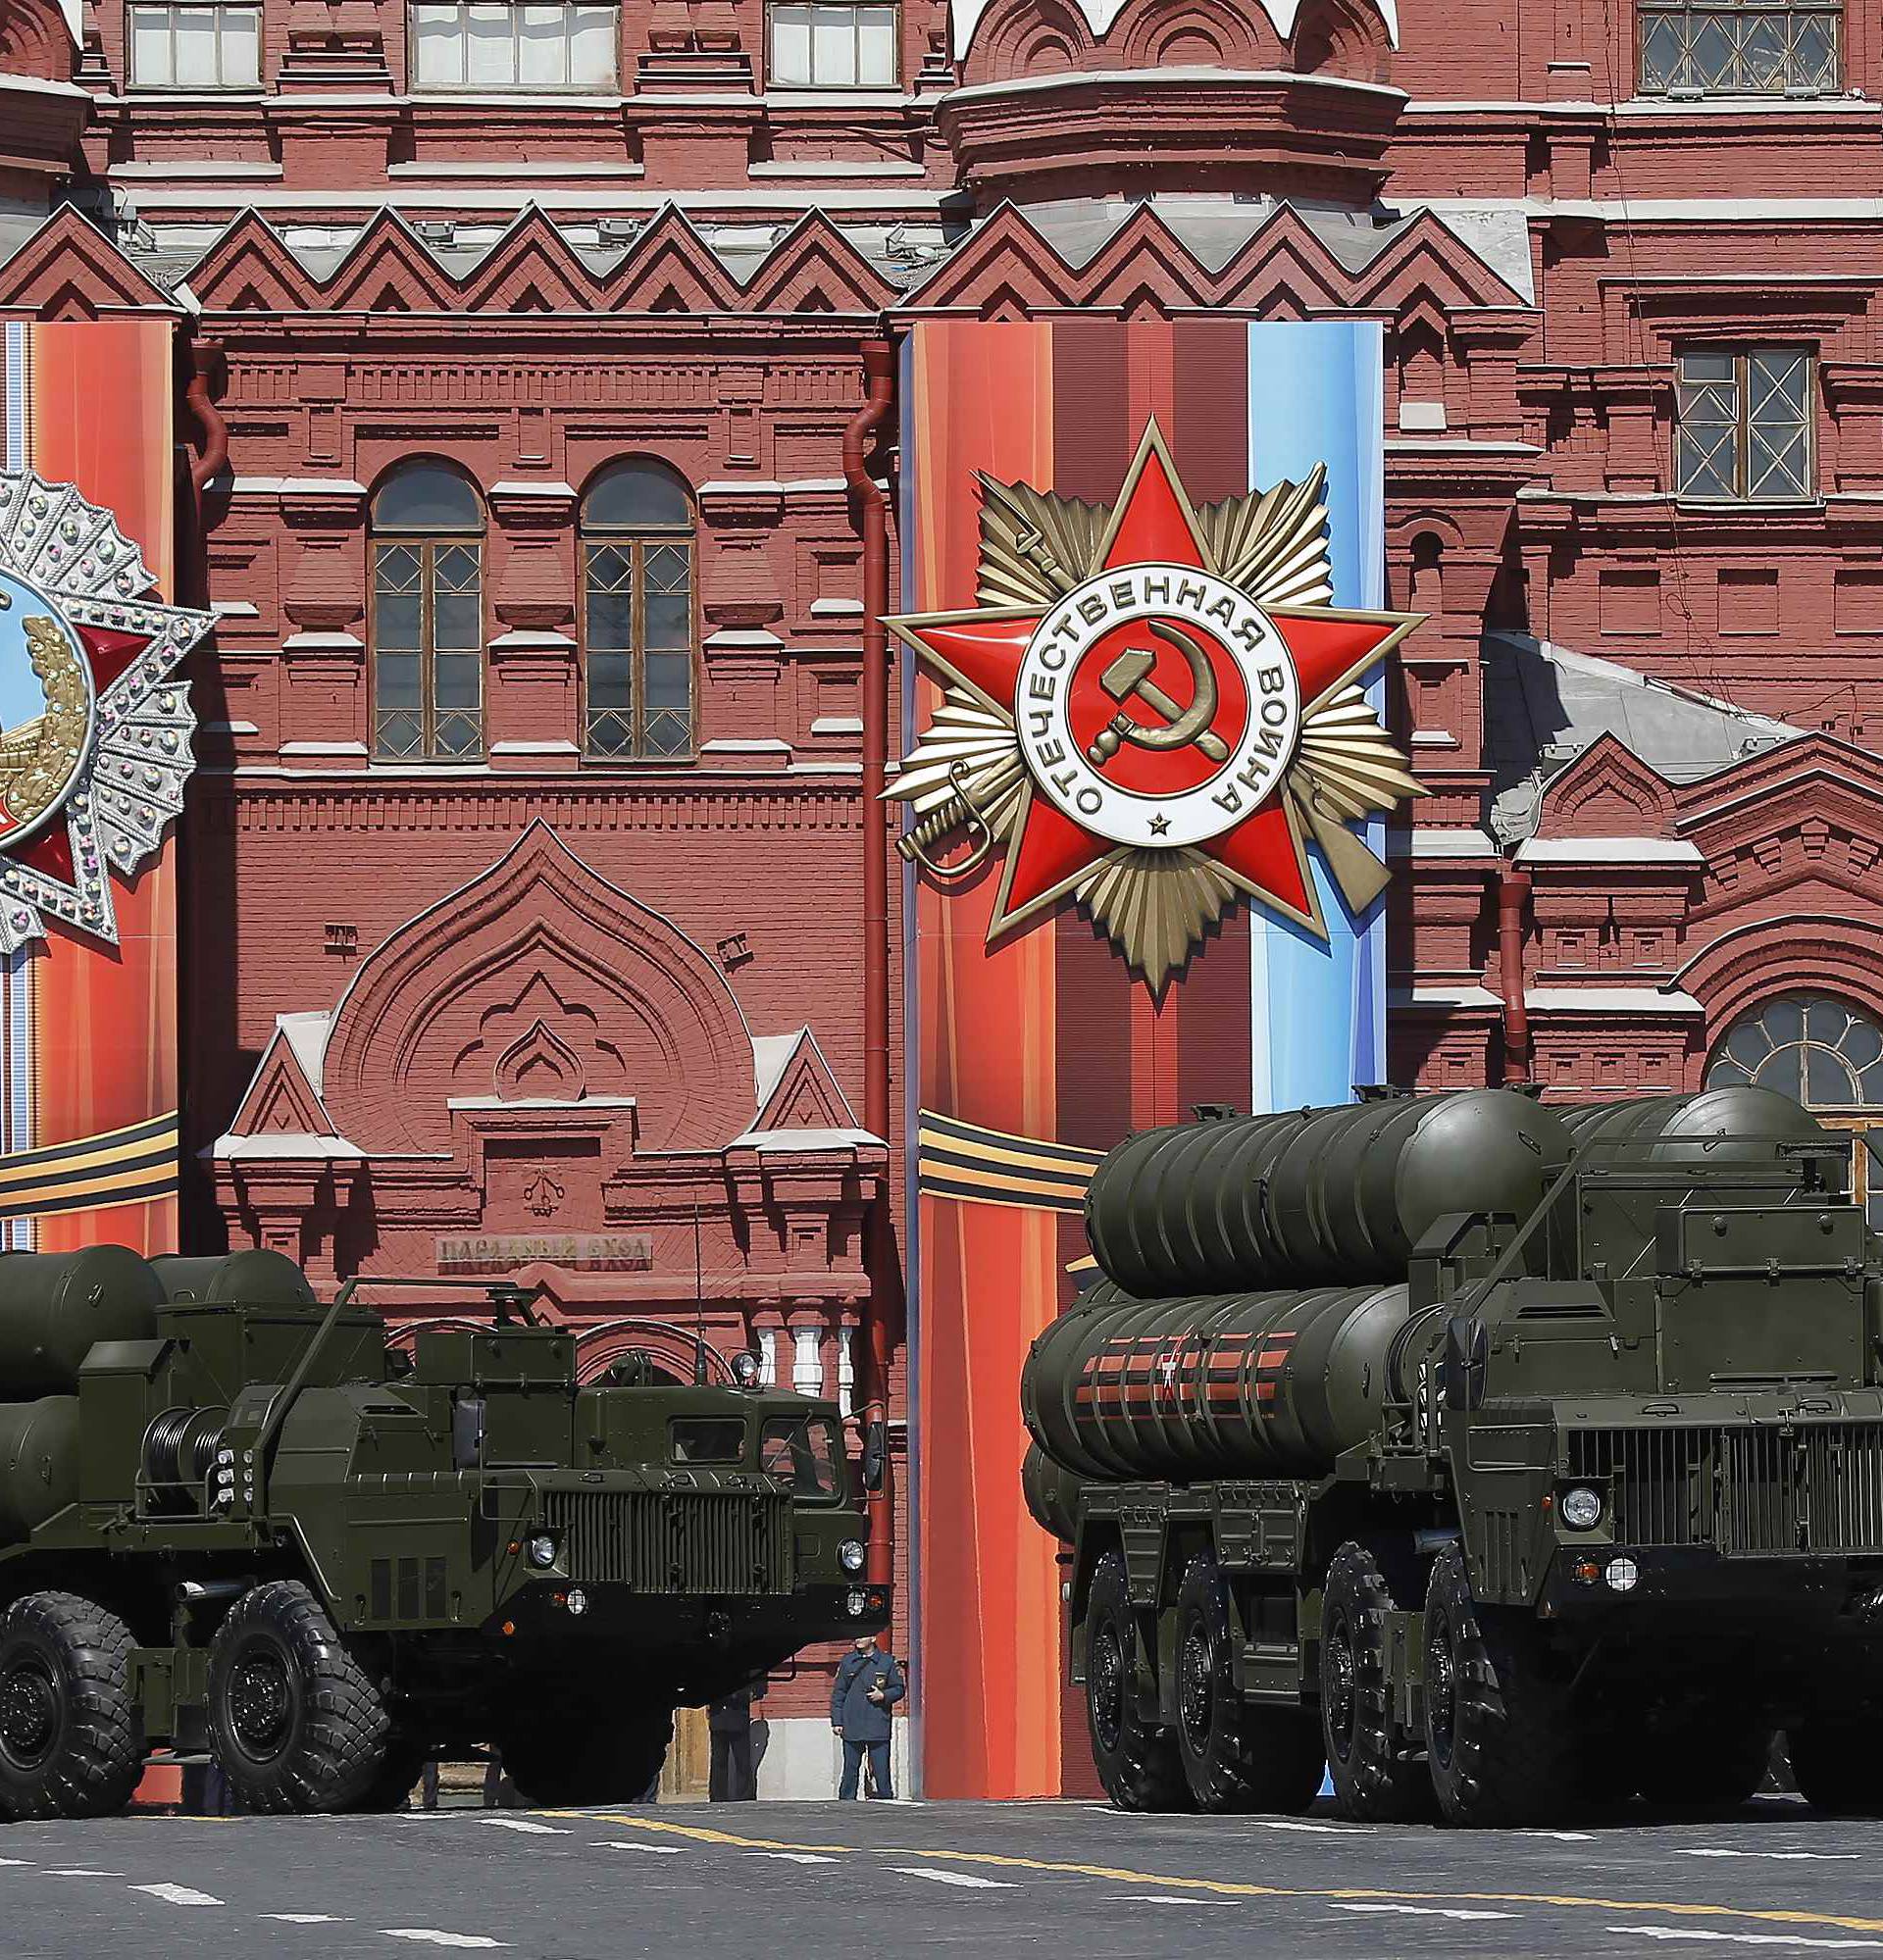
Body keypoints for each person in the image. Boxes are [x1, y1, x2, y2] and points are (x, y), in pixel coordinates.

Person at [831, 1634, 905, 1800]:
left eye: (862, 1636)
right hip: (852, 1723)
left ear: (873, 1638)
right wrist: (837, 1720)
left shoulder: (886, 1662)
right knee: (850, 1770)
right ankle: (846, 1804)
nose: (857, 1639)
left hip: (877, 1722)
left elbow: (899, 1688)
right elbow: (839, 1693)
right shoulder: (848, 1662)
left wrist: (883, 1695)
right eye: (855, 1636)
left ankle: (886, 1803)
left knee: (881, 1771)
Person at [709, 1684, 764, 1802]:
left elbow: (758, 1687)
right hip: (718, 1717)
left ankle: (745, 1795)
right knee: (718, 1760)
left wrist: (747, 1694)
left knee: (742, 1759)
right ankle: (718, 1796)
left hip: (738, 1715)